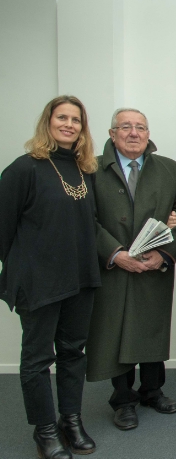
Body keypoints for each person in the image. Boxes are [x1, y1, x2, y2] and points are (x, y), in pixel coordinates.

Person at [0, 96, 101, 458]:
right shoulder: (23, 169)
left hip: (80, 279)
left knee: (73, 353)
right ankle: (44, 430)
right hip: (39, 281)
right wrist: (21, 271)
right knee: (38, 358)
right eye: (62, 117)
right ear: (48, 121)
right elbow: (3, 231)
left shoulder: (85, 170)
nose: (69, 124)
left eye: (76, 119)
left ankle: (70, 421)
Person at [85, 108, 176, 431]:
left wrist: (164, 254)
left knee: (151, 327)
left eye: (141, 127)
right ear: (112, 133)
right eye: (126, 127)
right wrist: (115, 254)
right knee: (115, 330)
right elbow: (86, 219)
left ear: (148, 133)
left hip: (153, 266)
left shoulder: (169, 169)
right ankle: (122, 400)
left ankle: (152, 391)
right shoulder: (91, 170)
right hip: (113, 267)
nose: (134, 133)